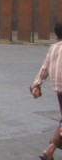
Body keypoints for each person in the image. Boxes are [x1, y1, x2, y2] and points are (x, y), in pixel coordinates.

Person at [31, 22, 62, 160]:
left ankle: (49, 151)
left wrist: (37, 85)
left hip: (59, 89)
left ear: (56, 35)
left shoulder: (53, 48)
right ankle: (49, 150)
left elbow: (45, 67)